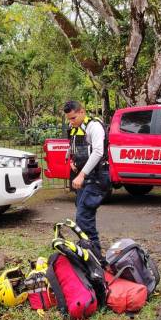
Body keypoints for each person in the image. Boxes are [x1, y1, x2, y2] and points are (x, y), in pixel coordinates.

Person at [64, 100, 110, 254]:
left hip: (96, 178)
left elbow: (98, 152)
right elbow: (73, 146)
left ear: (82, 112)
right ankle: (86, 249)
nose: (71, 122)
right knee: (82, 215)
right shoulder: (74, 128)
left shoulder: (94, 127)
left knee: (83, 217)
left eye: (73, 118)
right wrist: (72, 161)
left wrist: (82, 174)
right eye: (68, 118)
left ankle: (95, 256)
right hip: (83, 178)